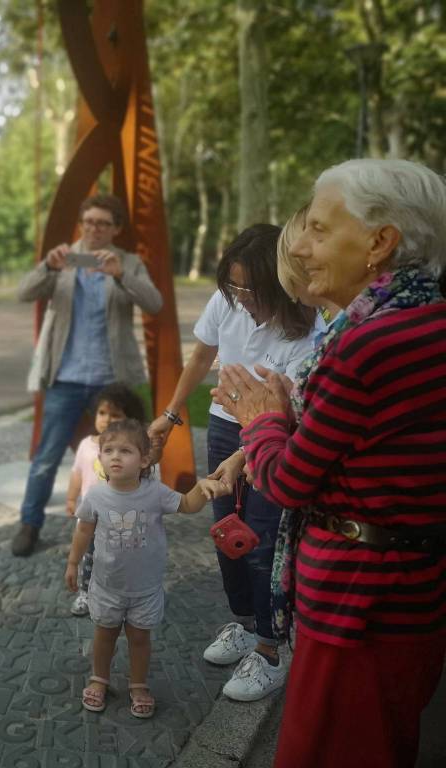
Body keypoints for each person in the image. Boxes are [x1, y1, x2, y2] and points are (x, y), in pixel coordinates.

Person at [213, 158, 446, 768]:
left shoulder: (367, 342)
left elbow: (288, 480)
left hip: (357, 604)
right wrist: (293, 414)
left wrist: (261, 418)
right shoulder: (419, 319)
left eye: (318, 229)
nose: (304, 247)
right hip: (408, 597)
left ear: (379, 243)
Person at [148, 224, 318, 702]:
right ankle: (246, 624)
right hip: (226, 423)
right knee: (228, 532)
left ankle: (271, 648)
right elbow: (202, 355)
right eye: (234, 287)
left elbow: (285, 411)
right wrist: (170, 414)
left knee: (262, 540)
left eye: (249, 289)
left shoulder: (308, 331)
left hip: (272, 435)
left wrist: (242, 457)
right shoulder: (227, 301)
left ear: (279, 284)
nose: (239, 298)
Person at [13, 194, 163, 557]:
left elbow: (154, 304)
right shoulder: (63, 259)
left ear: (116, 229)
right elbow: (24, 292)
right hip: (65, 376)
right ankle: (29, 524)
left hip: (112, 379)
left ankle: (125, 521)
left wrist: (122, 275)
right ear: (82, 223)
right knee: (47, 455)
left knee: (123, 455)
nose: (94, 229)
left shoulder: (127, 262)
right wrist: (48, 267)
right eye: (89, 221)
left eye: (103, 223)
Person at [65, 419, 229, 718]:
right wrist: (73, 563)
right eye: (109, 450)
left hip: (145, 588)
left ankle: (138, 684)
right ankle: (98, 678)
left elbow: (187, 505)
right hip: (107, 586)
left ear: (143, 460)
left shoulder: (155, 492)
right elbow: (83, 531)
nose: (115, 456)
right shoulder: (96, 496)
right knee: (105, 635)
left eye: (125, 451)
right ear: (99, 457)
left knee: (140, 639)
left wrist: (202, 487)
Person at [66, 382, 151, 617]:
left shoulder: (131, 450)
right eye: (102, 413)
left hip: (121, 517)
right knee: (90, 556)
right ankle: (85, 592)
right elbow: (77, 473)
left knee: (122, 557)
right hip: (91, 517)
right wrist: (72, 498)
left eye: (115, 415)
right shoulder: (86, 445)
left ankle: (126, 593)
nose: (106, 419)